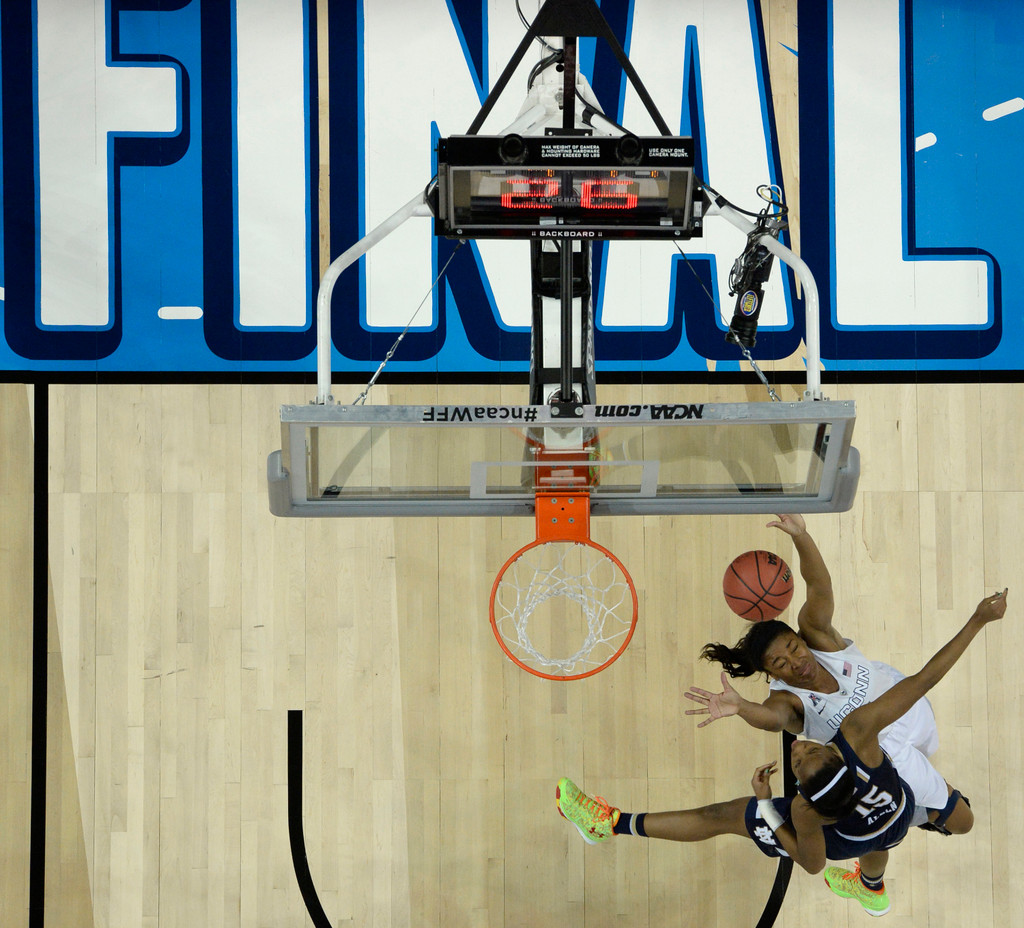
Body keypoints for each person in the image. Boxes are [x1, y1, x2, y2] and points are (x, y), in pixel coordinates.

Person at [557, 589, 1008, 917]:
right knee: (897, 835)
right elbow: (925, 681)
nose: (802, 745)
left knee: (723, 815)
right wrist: (977, 620)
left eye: (798, 754)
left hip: (866, 831)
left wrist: (766, 809)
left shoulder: (807, 809)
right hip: (890, 826)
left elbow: (813, 863)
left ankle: (611, 824)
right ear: (840, 755)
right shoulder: (885, 756)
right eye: (810, 750)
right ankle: (870, 886)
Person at [684, 514, 961, 836]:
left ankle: (890, 847)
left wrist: (801, 537)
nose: (795, 661)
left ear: (800, 638)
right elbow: (771, 719)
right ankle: (906, 835)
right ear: (770, 673)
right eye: (780, 663)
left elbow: (819, 586)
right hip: (879, 760)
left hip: (911, 709)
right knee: (927, 817)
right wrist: (741, 707)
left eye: (793, 648)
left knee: (923, 786)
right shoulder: (787, 700)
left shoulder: (820, 638)